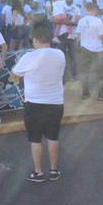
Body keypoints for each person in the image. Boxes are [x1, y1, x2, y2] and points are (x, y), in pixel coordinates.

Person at [11, 19, 66, 183]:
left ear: (35, 39)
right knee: (53, 137)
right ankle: (54, 170)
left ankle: (38, 172)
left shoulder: (29, 56)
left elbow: (16, 72)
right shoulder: (60, 54)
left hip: (34, 102)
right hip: (55, 102)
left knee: (35, 139)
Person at [77, 3, 103, 101]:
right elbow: (102, 36)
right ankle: (101, 94)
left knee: (84, 71)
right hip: (97, 49)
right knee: (99, 72)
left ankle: (85, 93)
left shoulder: (81, 20)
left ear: (87, 9)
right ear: (95, 9)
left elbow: (78, 36)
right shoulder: (98, 21)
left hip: (84, 48)